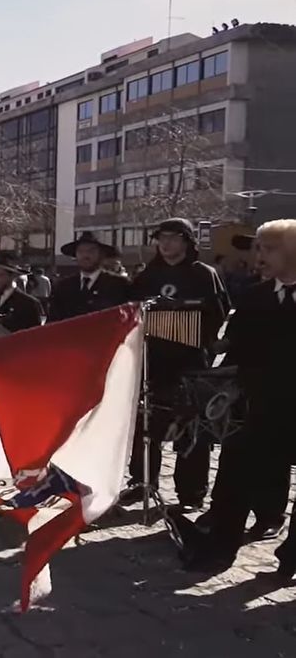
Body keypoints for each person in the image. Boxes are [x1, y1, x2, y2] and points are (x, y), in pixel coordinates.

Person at [173, 219, 296, 574]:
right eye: (258, 248)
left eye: (269, 248)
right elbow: (237, 349)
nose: (260, 256)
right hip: (255, 405)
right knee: (234, 474)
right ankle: (217, 548)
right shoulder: (255, 296)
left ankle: (291, 558)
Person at [120, 218, 228, 512]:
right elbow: (129, 312)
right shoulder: (147, 275)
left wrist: (188, 315)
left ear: (186, 242)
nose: (166, 244)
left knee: (192, 428)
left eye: (173, 238)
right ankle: (142, 481)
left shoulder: (204, 274)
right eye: (162, 238)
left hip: (190, 360)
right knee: (146, 423)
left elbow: (218, 312)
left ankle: (191, 493)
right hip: (153, 360)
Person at [49, 232, 131, 322]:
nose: (85, 255)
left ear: (101, 254)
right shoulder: (63, 287)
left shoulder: (118, 285)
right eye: (80, 251)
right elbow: (52, 322)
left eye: (91, 251)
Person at [0, 252, 42, 340]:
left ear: (13, 276)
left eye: (1, 275)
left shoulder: (29, 303)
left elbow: (36, 337)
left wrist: (10, 335)